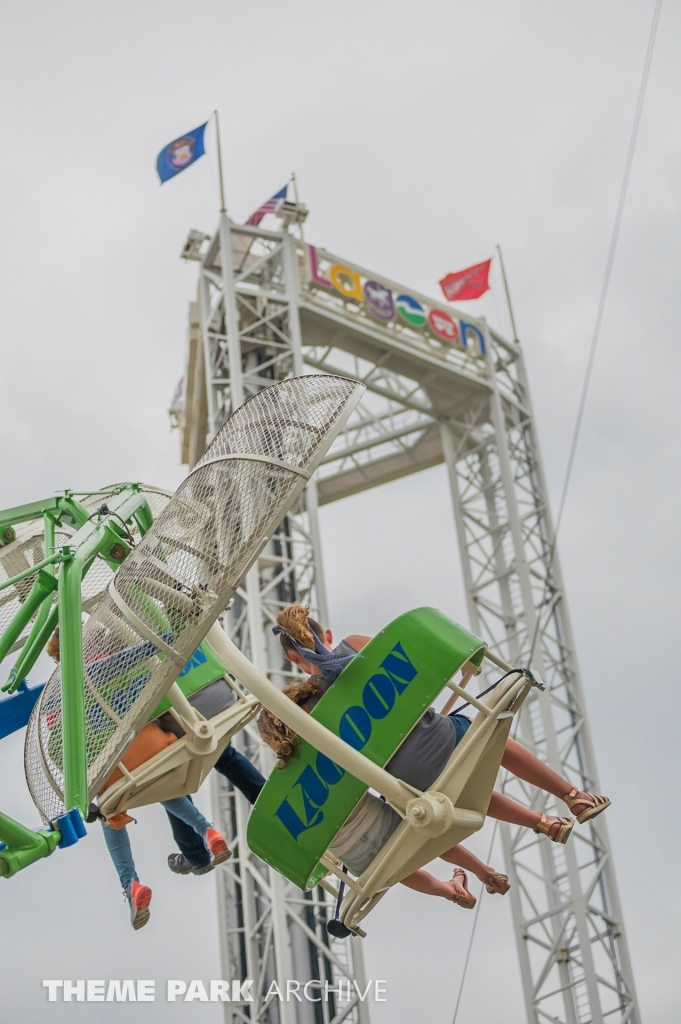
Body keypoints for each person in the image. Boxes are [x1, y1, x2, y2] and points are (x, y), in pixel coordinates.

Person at [257, 604, 611, 891]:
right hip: (441, 738)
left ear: (292, 659)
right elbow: (420, 661)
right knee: (484, 739)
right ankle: (571, 795)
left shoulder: (308, 709)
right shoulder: (355, 645)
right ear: (327, 636)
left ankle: (543, 824)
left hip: (412, 780)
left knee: (458, 786)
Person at [98, 720, 232, 930]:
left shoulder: (62, 733)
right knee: (159, 783)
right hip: (154, 748)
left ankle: (130, 884)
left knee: (107, 813)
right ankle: (207, 831)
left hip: (117, 774)